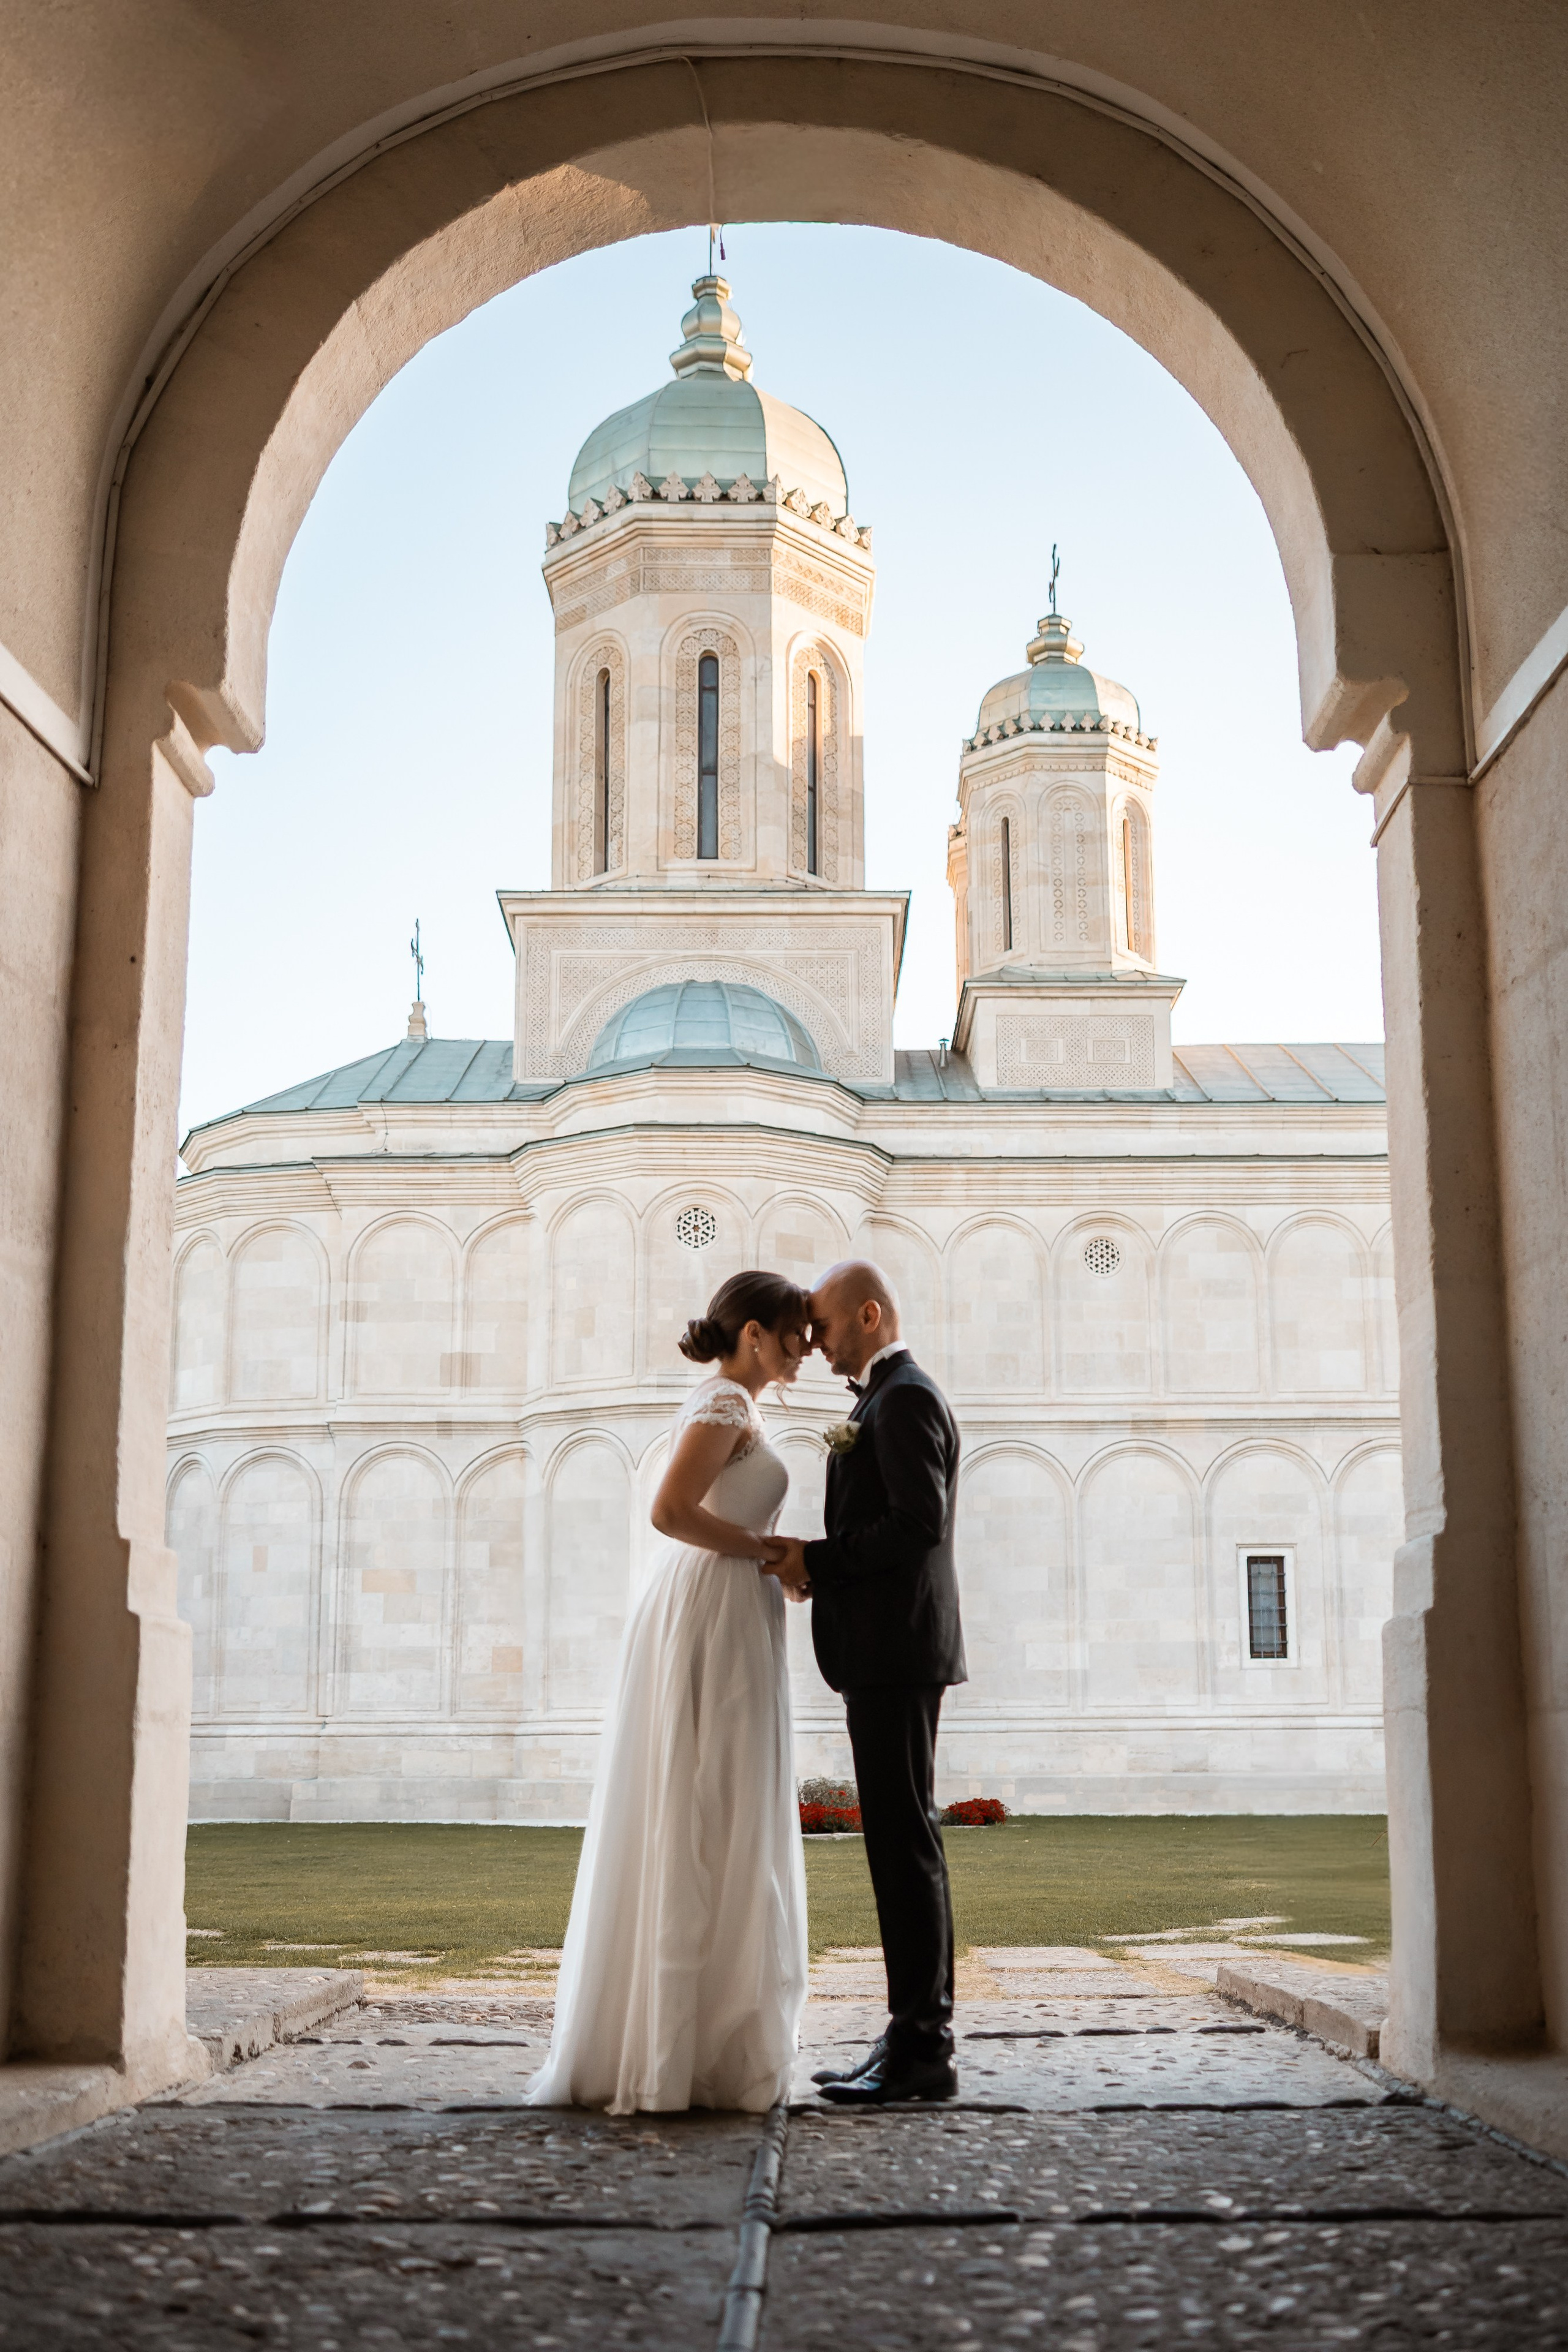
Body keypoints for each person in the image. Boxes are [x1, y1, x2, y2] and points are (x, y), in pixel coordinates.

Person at [525, 1270, 811, 2116]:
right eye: (794, 1337)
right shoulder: (724, 1403)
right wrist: (770, 1552)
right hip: (712, 1608)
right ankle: (678, 2046)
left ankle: (703, 2037)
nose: (804, 1353)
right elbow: (672, 1512)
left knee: (721, 1804)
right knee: (703, 1801)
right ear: (753, 1333)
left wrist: (770, 1558)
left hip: (729, 1604)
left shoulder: (736, 1406)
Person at [769, 1259, 966, 2105]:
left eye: (824, 1324)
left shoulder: (905, 1397)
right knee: (900, 1841)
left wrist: (817, 1558)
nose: (813, 1342)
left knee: (903, 1843)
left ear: (871, 1315)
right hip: (885, 1650)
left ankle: (922, 2048)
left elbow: (917, 1526)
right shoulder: (880, 1400)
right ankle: (909, 2037)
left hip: (896, 1651)